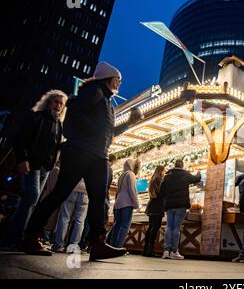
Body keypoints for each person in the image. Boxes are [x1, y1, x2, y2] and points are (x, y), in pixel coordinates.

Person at [21, 61, 143, 261]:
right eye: (118, 79)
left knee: (98, 200)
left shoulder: (105, 99)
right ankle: (31, 235)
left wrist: (130, 122)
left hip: (97, 154)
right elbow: (75, 114)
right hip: (81, 151)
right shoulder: (94, 90)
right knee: (61, 194)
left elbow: (108, 133)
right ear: (108, 78)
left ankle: (97, 243)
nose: (120, 83)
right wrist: (93, 134)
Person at [0, 90, 67, 250]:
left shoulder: (59, 124)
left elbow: (54, 146)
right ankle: (14, 237)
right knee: (31, 196)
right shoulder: (37, 117)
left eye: (61, 103)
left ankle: (18, 237)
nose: (58, 106)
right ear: (48, 102)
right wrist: (23, 159)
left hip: (46, 167)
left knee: (31, 201)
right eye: (55, 102)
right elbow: (19, 138)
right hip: (33, 163)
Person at [159, 159, 201, 260]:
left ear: (174, 165)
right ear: (182, 166)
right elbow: (196, 179)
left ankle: (166, 251)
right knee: (176, 228)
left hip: (169, 205)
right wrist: (199, 172)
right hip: (180, 205)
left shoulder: (167, 176)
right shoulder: (185, 174)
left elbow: (161, 191)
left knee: (169, 227)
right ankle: (174, 251)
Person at [108, 159, 141, 248]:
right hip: (127, 203)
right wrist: (137, 204)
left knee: (117, 225)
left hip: (118, 203)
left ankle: (112, 245)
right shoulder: (131, 174)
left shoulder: (122, 175)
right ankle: (118, 246)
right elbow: (132, 190)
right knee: (125, 226)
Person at [51, 179, 89, 253]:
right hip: (85, 192)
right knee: (80, 221)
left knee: (64, 218)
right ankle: (73, 247)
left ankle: (58, 246)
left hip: (72, 189)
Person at [143, 165, 166, 257]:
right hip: (158, 206)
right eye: (164, 171)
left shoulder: (153, 179)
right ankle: (150, 250)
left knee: (150, 228)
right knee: (154, 228)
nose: (164, 172)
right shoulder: (160, 179)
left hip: (152, 206)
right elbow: (161, 193)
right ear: (161, 171)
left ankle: (145, 249)